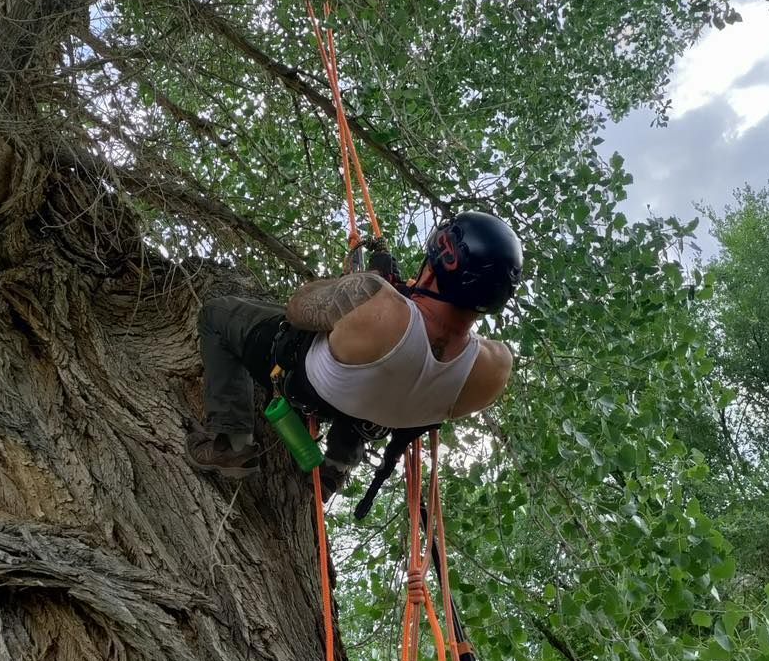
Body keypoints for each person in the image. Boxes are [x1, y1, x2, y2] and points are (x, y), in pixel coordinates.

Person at [186, 211, 522, 496]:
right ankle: (337, 463)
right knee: (385, 385)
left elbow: (298, 307)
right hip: (367, 414)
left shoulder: (381, 304)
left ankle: (232, 441)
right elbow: (421, 354)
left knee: (217, 314)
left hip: (303, 382)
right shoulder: (493, 368)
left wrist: (371, 279)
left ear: (434, 267)